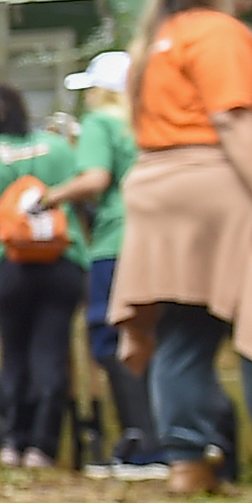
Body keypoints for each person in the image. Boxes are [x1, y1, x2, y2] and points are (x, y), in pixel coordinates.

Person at [108, 0, 252, 498]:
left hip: (160, 189)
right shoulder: (220, 33)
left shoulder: (157, 41)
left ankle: (186, 462)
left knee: (184, 333)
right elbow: (231, 120)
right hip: (221, 182)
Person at [55, 50, 161, 474]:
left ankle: (143, 443)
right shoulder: (152, 124)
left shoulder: (102, 123)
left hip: (118, 240)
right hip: (161, 238)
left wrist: (48, 199)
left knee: (111, 335)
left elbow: (95, 179)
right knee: (160, 337)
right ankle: (177, 442)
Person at [0, 82, 82, 467]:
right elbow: (83, 194)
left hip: (9, 263)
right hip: (63, 262)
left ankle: (9, 443)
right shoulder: (59, 148)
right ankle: (42, 447)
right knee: (51, 353)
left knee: (13, 355)